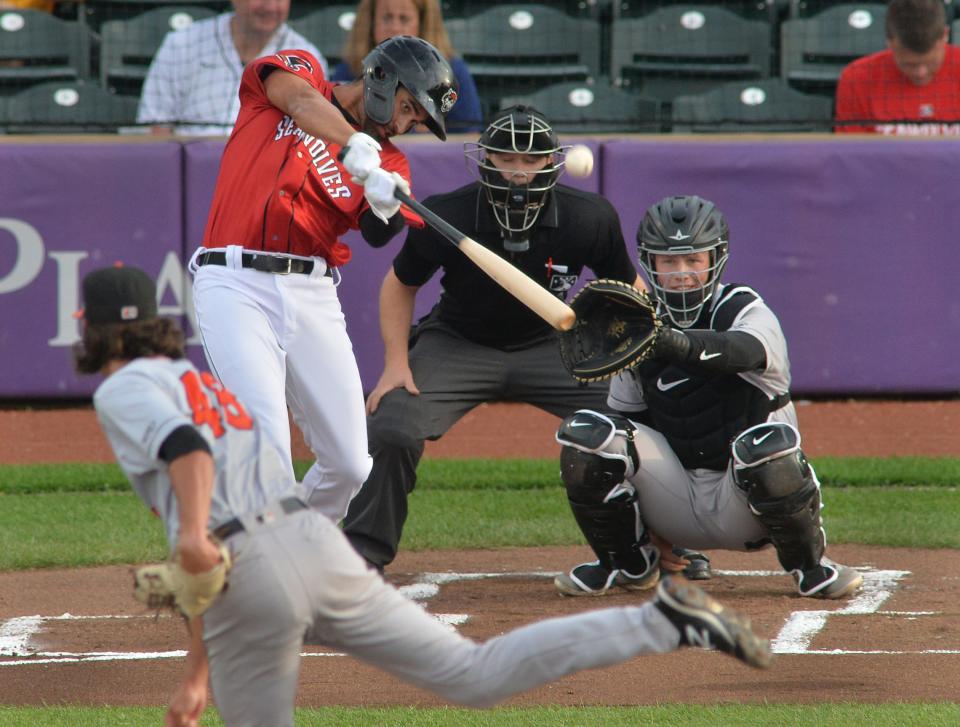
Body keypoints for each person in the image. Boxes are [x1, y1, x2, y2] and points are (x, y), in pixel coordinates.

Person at [74, 263, 772, 726]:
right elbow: (207, 558)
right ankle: (664, 620)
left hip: (248, 567)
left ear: (86, 321)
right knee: (472, 672)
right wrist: (199, 671)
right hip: (314, 542)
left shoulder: (125, 386)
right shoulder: (204, 383)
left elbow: (187, 460)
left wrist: (193, 535)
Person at [341, 105, 649, 572]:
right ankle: (362, 558)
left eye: (530, 160)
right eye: (507, 158)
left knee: (640, 421)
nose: (518, 172)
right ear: (485, 158)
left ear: (551, 162)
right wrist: (395, 365)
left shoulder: (588, 218)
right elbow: (399, 284)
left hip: (556, 346)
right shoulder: (449, 212)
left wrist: (628, 355)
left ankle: (654, 548)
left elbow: (631, 292)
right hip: (460, 341)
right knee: (393, 425)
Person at [189, 36, 459, 527]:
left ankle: (291, 548)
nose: (403, 123)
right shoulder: (304, 71)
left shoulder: (390, 161)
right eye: (407, 107)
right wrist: (352, 141)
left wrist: (385, 199)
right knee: (266, 446)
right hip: (235, 283)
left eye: (415, 120)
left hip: (311, 293)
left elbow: (380, 235)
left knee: (351, 463)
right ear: (382, 77)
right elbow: (297, 99)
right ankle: (273, 574)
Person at [552, 195, 864, 601]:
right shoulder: (639, 327)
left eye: (693, 260)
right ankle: (629, 562)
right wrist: (652, 527)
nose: (682, 273)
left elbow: (742, 350)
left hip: (747, 505)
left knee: (767, 446)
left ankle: (811, 567)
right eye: (669, 262)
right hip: (675, 496)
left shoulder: (745, 308)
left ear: (715, 259)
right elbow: (628, 428)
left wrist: (671, 342)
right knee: (588, 435)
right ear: (650, 263)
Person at [137, 0, 327, 136]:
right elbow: (155, 128)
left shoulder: (306, 58)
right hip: (192, 171)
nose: (270, 6)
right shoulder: (181, 43)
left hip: (265, 177)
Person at [332, 0, 482, 132]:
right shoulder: (350, 68)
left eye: (404, 19)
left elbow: (467, 139)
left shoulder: (450, 75)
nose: (395, 28)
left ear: (423, 24)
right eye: (387, 17)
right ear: (371, 22)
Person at [835, 0, 960, 135]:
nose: (921, 73)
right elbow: (852, 153)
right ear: (889, 42)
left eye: (931, 63)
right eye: (909, 64)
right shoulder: (857, 79)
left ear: (945, 35)